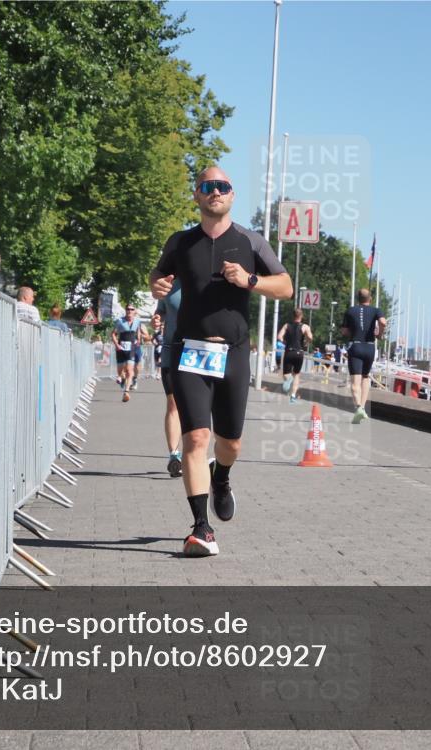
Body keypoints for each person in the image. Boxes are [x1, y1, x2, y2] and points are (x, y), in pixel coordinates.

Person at [150, 165, 292, 557]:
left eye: (223, 186)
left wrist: (249, 281)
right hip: (190, 351)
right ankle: (200, 529)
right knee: (196, 437)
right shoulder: (180, 242)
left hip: (233, 355)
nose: (216, 192)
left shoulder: (251, 241)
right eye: (208, 187)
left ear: (232, 195)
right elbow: (158, 275)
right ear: (197, 195)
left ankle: (222, 477)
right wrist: (157, 283)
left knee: (230, 442)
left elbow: (286, 286)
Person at [341, 288, 387, 424]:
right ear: (370, 299)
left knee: (355, 382)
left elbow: (344, 331)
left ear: (357, 299)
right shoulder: (376, 310)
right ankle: (363, 407)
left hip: (355, 346)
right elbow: (383, 322)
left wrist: (352, 331)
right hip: (370, 347)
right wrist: (379, 334)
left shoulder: (350, 310)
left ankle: (359, 408)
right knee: (366, 377)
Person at [155, 281, 183, 478]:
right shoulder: (169, 283)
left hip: (198, 353)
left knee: (194, 406)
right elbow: (161, 311)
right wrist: (158, 318)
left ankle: (195, 453)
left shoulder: (207, 277)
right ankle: (174, 455)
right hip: (171, 351)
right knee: (173, 403)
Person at [277, 309, 312, 404]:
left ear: (293, 316)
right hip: (299, 352)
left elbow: (279, 336)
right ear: (302, 316)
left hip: (289, 352)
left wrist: (284, 342)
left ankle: (289, 379)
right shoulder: (305, 326)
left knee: (286, 374)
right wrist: (306, 341)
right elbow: (310, 338)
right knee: (297, 374)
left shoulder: (287, 325)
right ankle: (293, 397)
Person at [112, 305, 141, 402]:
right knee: (120, 371)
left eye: (132, 309)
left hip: (132, 348)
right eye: (128, 309)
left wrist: (138, 340)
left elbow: (138, 331)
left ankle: (126, 391)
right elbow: (113, 334)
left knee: (129, 370)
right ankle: (122, 379)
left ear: (134, 311)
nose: (129, 311)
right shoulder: (120, 321)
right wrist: (116, 345)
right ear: (125, 310)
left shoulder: (137, 321)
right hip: (121, 347)